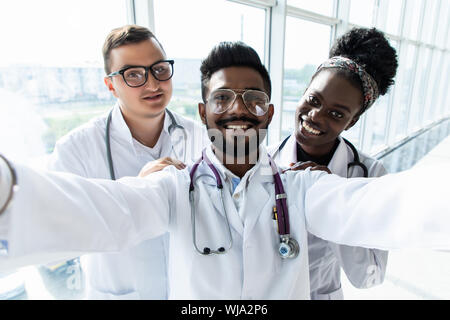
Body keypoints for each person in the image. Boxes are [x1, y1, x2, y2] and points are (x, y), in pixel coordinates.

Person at [0, 41, 449, 300]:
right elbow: (108, 210)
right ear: (202, 111)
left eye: (253, 99)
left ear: (269, 113)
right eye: (222, 99)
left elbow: (385, 206)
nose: (239, 110)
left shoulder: (304, 184)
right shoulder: (172, 185)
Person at [46, 25, 209, 299]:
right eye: (133, 74)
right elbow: (56, 238)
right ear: (111, 85)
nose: (153, 84)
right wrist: (133, 192)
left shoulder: (201, 139)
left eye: (159, 69)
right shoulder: (76, 150)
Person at [269, 28, 396, 299]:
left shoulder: (369, 175)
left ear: (352, 121)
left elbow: (369, 277)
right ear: (304, 92)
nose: (315, 116)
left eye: (336, 113)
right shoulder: (263, 162)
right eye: (313, 100)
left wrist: (334, 198)